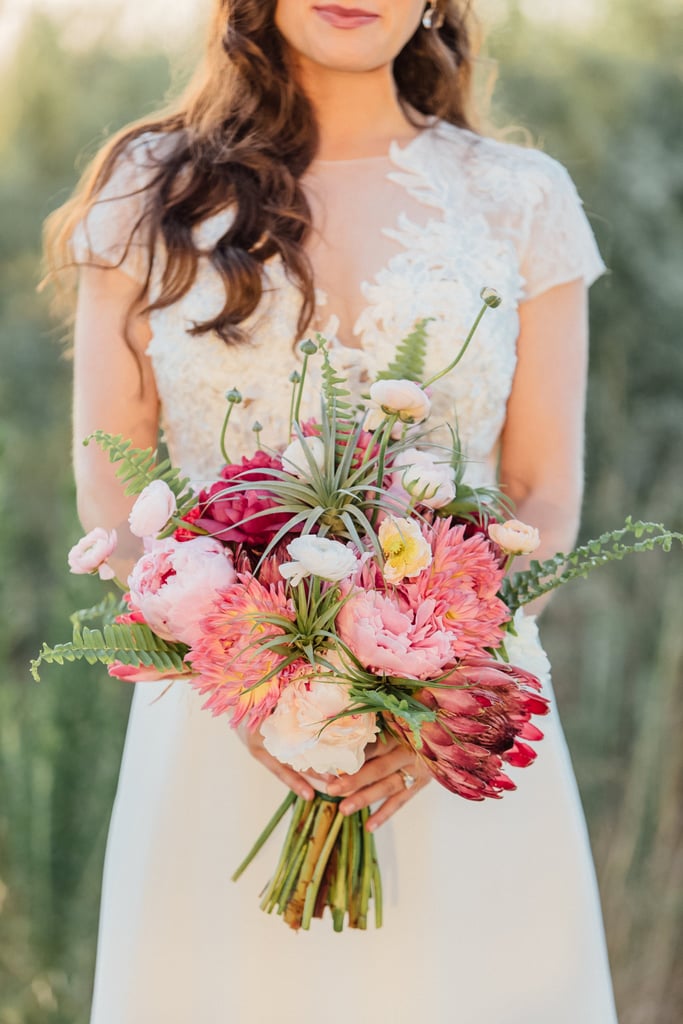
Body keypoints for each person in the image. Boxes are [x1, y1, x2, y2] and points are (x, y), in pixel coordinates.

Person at [45, 1, 620, 1021]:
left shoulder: (521, 200)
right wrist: (259, 675)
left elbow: (542, 491)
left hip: (452, 721)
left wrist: (433, 692)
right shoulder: (148, 194)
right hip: (218, 722)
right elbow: (111, 474)